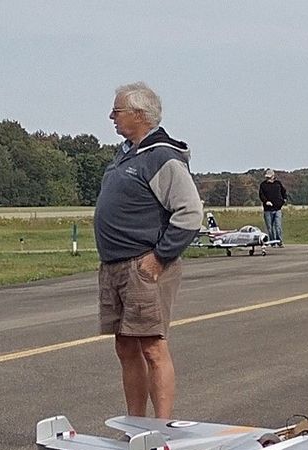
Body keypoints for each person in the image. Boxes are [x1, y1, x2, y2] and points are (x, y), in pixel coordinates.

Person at [94, 82, 202, 419]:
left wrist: (159, 258)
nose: (111, 116)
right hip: (115, 266)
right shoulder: (126, 154)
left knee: (153, 347)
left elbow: (190, 212)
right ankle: (135, 424)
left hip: (144, 267)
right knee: (125, 346)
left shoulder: (161, 156)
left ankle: (162, 428)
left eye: (117, 111)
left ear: (140, 114)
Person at [259, 169, 288, 245]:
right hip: (268, 210)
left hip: (278, 208)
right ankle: (272, 242)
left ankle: (279, 241)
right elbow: (261, 195)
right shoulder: (263, 185)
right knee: (270, 227)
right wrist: (266, 201)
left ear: (273, 176)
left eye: (269, 177)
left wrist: (284, 199)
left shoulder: (278, 183)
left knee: (278, 226)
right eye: (267, 177)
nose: (268, 178)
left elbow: (283, 191)